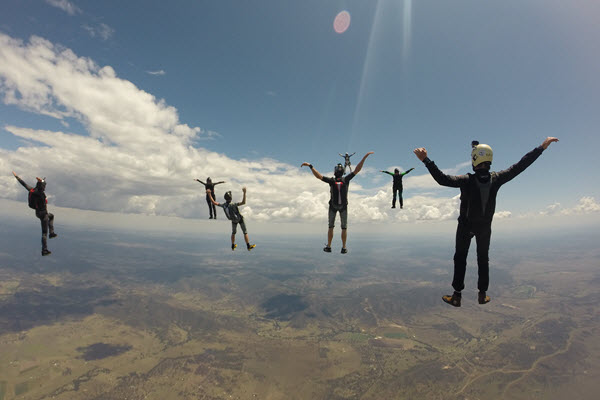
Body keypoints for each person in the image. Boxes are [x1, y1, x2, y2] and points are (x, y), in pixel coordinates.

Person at [413, 137, 559, 307]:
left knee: (460, 258)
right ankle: (482, 295)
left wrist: (426, 160)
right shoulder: (496, 178)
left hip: (465, 227)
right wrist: (541, 147)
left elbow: (442, 179)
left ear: (475, 160)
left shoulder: (466, 180)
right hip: (484, 229)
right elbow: (520, 166)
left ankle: (457, 296)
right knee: (483, 259)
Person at [302, 151, 374, 254]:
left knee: (331, 226)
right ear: (342, 171)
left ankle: (329, 246)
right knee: (344, 227)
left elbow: (319, 176)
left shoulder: (332, 181)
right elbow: (357, 170)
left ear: (335, 171)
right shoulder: (346, 179)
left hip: (333, 206)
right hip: (343, 206)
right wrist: (364, 158)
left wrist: (310, 166)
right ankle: (344, 247)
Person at [12, 171, 58, 256]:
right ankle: (44, 250)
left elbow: (24, 184)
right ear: (42, 187)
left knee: (51, 216)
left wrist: (17, 177)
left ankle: (51, 233)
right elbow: (42, 187)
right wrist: (42, 182)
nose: (44, 188)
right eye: (44, 186)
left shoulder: (32, 190)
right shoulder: (40, 193)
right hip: (43, 215)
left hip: (37, 213)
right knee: (44, 233)